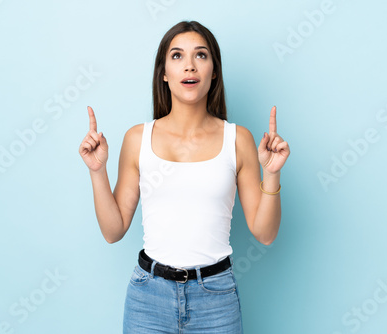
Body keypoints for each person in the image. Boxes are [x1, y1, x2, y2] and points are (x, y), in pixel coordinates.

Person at [79, 20, 290, 333]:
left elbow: (265, 233)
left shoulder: (238, 139)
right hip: (147, 299)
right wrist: (97, 172)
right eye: (177, 56)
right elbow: (113, 231)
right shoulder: (138, 138)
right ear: (164, 73)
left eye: (201, 56)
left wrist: (271, 174)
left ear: (214, 71)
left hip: (215, 299)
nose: (189, 66)